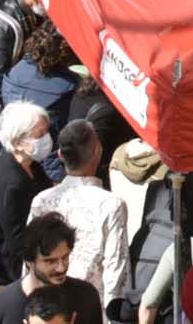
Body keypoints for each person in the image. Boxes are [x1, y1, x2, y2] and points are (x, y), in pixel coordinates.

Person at [25, 119, 129, 303]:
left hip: (46, 307)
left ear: (60, 155)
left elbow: (28, 265)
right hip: (89, 307)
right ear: (98, 151)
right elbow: (116, 271)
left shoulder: (41, 200)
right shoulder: (111, 204)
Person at [0, 102, 48, 285]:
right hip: (9, 273)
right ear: (17, 142)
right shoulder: (11, 184)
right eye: (40, 135)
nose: (46, 139)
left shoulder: (30, 164)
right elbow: (16, 241)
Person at [0, 212, 76, 324]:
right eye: (51, 261)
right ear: (29, 261)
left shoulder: (86, 297)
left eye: (65, 257)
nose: (61, 268)